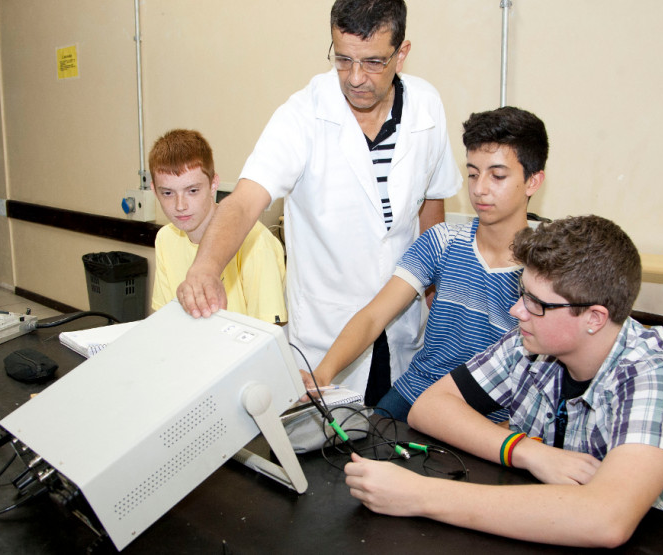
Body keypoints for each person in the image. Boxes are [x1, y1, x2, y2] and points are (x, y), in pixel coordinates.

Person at [344, 215, 663, 547]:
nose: (516, 311)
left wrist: (420, 495)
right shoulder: (531, 343)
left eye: (535, 304)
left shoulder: (657, 375)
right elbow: (429, 406)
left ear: (594, 317)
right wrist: (526, 451)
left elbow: (605, 519)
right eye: (521, 293)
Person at [176, 0, 461, 403]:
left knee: (392, 443)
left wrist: (435, 300)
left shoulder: (426, 108)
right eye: (343, 59)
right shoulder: (302, 115)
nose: (356, 78)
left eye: (374, 62)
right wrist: (205, 269)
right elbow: (242, 202)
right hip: (324, 335)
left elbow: (431, 205)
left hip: (401, 330)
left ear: (403, 53)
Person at [303, 106, 547, 421]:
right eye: (473, 173)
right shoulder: (443, 242)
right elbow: (374, 316)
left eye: (497, 175)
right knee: (358, 453)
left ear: (533, 181)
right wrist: (322, 375)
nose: (480, 188)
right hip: (415, 393)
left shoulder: (544, 273)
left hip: (488, 417)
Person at [148, 129, 287, 324]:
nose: (180, 205)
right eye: (168, 193)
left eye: (192, 191)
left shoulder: (255, 241)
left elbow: (270, 334)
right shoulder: (165, 238)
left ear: (214, 184)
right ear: (154, 190)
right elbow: (163, 321)